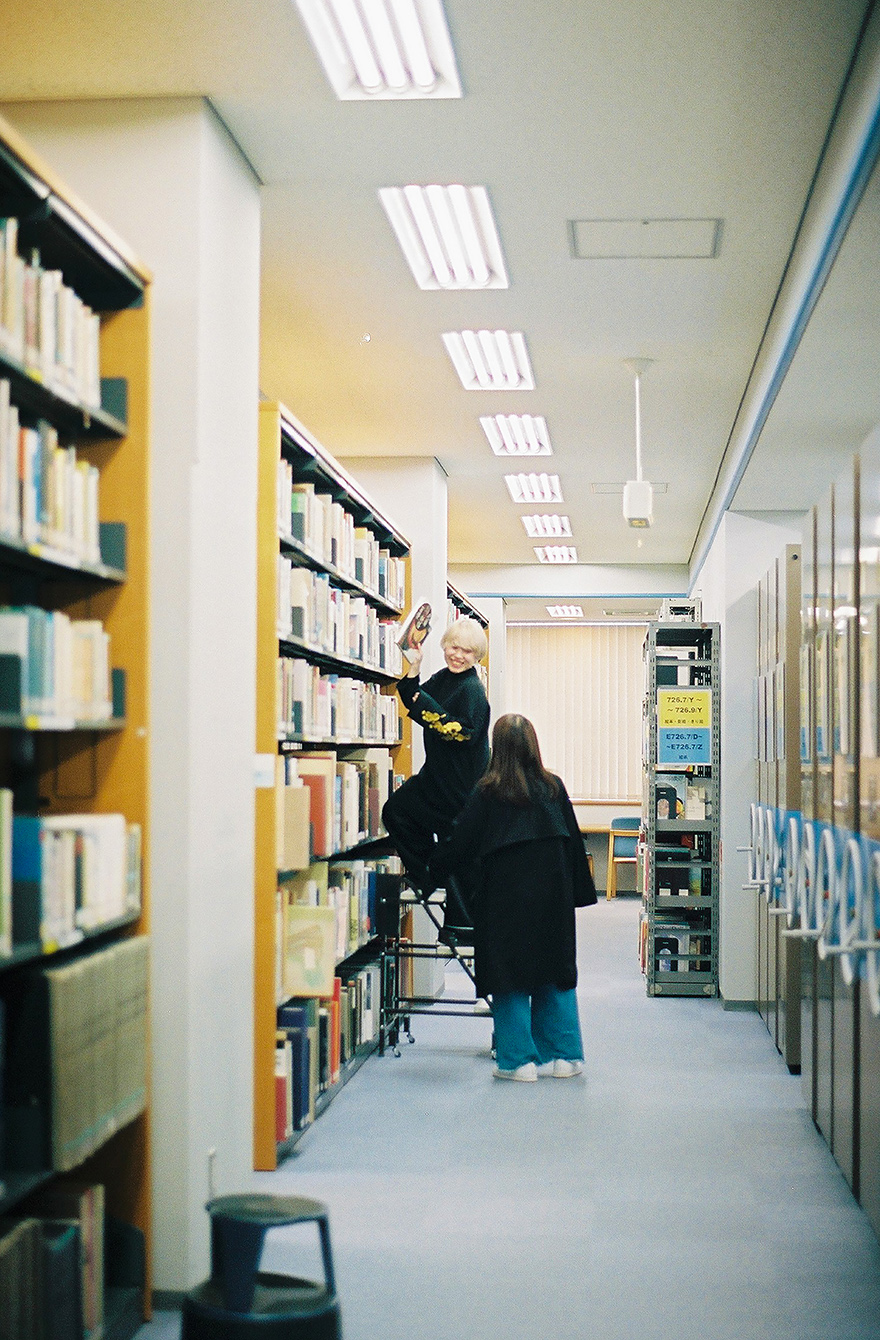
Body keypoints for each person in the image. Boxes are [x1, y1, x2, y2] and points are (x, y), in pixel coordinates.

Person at [433, 713, 597, 1081]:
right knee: (555, 971)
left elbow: (461, 842)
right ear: (533, 747)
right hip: (553, 900)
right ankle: (566, 1057)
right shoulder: (554, 787)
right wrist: (578, 895)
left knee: (509, 974)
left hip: (504, 902)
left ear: (498, 749)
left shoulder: (488, 792)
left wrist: (431, 870)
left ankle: (518, 1061)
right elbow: (573, 843)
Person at [381, 617, 490, 917]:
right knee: (396, 812)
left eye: (467, 651)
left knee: (458, 855)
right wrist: (414, 668)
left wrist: (422, 704)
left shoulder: (472, 691)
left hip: (461, 788)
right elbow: (411, 697)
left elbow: (458, 731)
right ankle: (426, 874)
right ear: (444, 646)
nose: (458, 655)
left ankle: (445, 895)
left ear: (476, 656)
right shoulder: (444, 678)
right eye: (454, 647)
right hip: (435, 778)